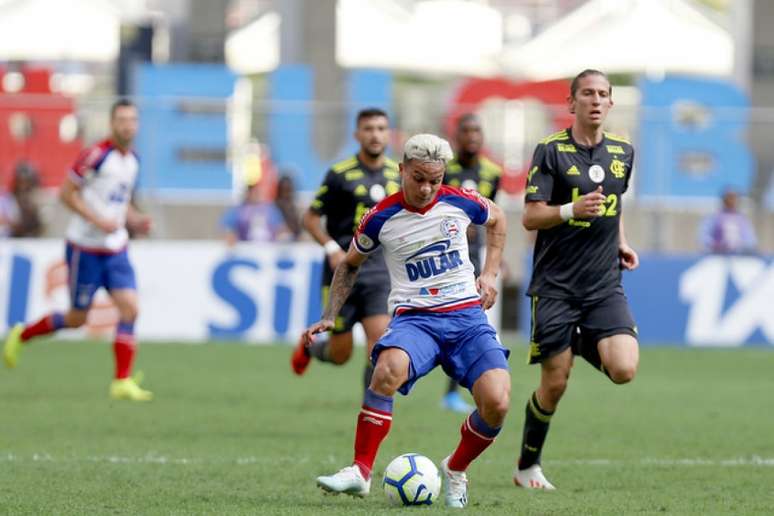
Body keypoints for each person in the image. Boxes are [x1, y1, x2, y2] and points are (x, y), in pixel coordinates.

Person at [305, 134, 510, 508]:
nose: (427, 187)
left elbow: (498, 219)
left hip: (466, 317)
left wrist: (490, 274)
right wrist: (329, 316)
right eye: (419, 178)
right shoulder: (380, 217)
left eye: (435, 179)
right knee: (386, 370)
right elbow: (350, 265)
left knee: (497, 401)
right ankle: (361, 471)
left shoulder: (459, 202)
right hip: (416, 319)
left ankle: (456, 468)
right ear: (402, 170)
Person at [515, 69, 639, 490]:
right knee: (555, 382)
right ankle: (527, 466)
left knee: (624, 368)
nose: (596, 100)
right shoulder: (549, 151)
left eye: (604, 94)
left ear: (611, 103)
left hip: (604, 282)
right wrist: (570, 211)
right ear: (571, 103)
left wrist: (621, 241)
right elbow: (531, 216)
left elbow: (613, 206)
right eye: (588, 93)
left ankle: (578, 339)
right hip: (555, 286)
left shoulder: (623, 151)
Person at [3, 98, 154, 402]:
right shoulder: (97, 156)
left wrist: (135, 220)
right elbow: (66, 193)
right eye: (122, 120)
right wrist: (97, 220)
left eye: (132, 120)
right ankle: (22, 334)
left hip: (115, 249)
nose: (128, 125)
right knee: (77, 318)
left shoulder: (132, 161)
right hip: (85, 249)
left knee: (130, 308)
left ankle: (121, 381)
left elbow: (118, 203)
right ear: (112, 124)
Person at [291, 108, 400, 393]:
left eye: (380, 128)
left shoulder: (397, 175)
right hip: (342, 272)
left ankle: (371, 414)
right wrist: (331, 248)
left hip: (378, 272)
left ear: (388, 134)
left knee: (380, 346)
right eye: (368, 129)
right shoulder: (339, 174)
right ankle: (311, 351)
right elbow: (310, 218)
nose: (375, 134)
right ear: (357, 134)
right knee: (341, 354)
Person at [440, 112, 503, 413]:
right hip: (440, 254)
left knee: (469, 317)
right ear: (456, 136)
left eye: (477, 131)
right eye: (466, 131)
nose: (473, 136)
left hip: (473, 254)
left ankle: (455, 390)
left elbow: (494, 218)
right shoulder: (443, 171)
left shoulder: (492, 172)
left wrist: (495, 261)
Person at [221, 182, 293, 245]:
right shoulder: (239, 210)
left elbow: (281, 228)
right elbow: (228, 228)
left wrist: (283, 234)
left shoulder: (270, 209)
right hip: (246, 248)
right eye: (252, 192)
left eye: (257, 192)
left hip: (268, 248)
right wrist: (231, 235)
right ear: (247, 193)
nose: (255, 195)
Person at [699, 188, 757, 254]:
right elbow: (704, 237)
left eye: (734, 198)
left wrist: (743, 247)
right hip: (717, 255)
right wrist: (715, 245)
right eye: (729, 198)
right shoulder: (714, 217)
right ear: (724, 200)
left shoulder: (743, 219)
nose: (731, 201)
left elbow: (750, 240)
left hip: (739, 256)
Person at [9, 161, 44, 237]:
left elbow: (40, 222)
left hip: (34, 234)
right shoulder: (11, 197)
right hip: (15, 236)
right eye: (21, 182)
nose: (24, 185)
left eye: (27, 182)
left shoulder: (36, 196)